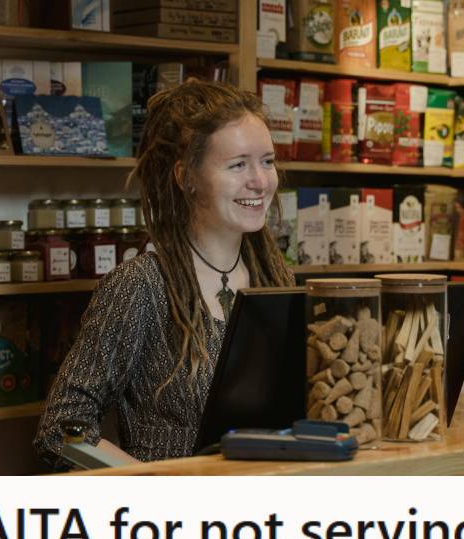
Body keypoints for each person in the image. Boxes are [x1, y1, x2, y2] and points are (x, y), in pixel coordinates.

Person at [34, 79, 293, 464]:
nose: (260, 180)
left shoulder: (277, 280)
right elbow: (62, 432)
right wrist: (152, 490)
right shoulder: (140, 286)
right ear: (185, 177)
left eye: (267, 161)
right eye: (238, 165)